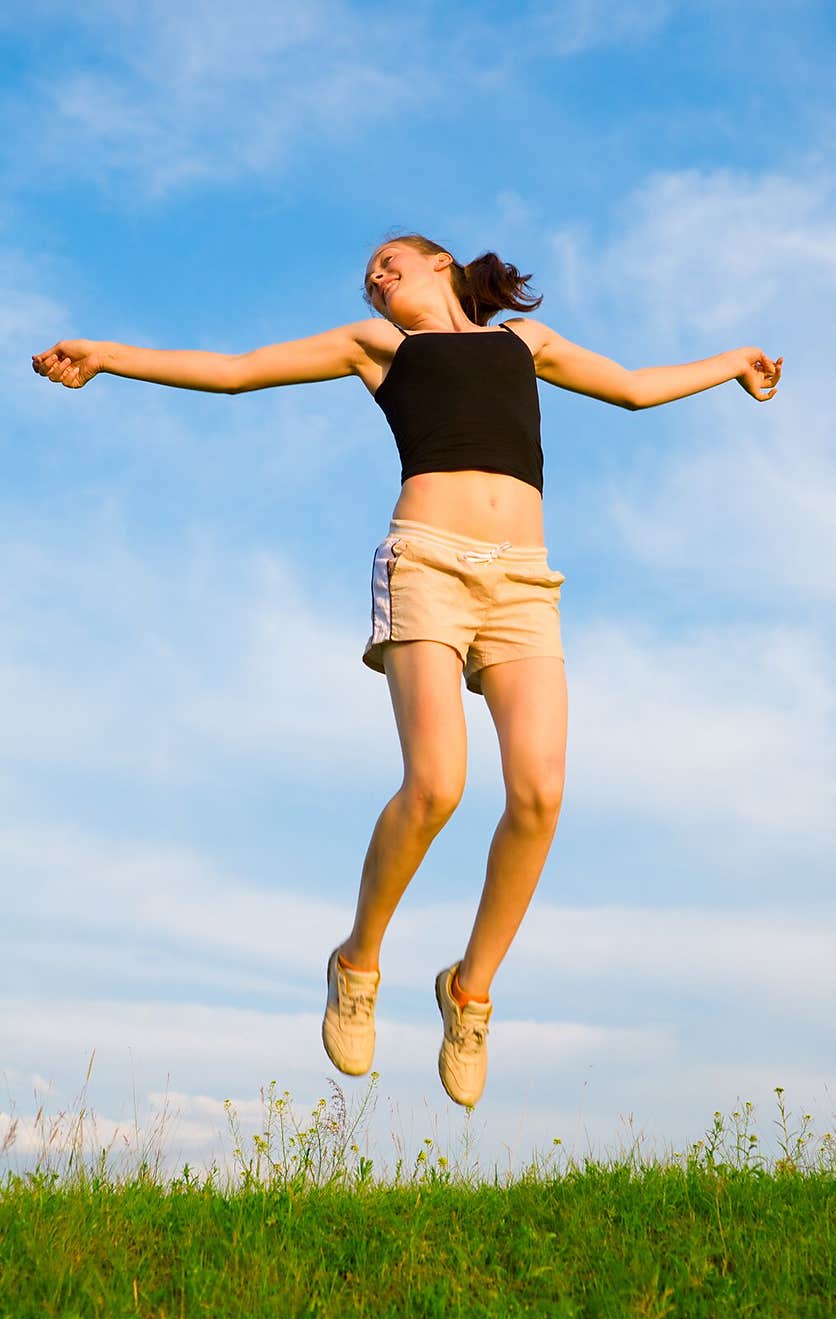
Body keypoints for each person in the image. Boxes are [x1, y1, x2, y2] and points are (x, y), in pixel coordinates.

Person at [31, 231, 783, 1108]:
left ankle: (469, 993)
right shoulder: (378, 346)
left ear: (441, 265)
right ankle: (358, 963)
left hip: (523, 582)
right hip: (426, 563)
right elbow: (236, 370)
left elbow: (632, 388)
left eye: (390, 261)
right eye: (368, 277)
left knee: (539, 795)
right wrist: (109, 357)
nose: (375, 278)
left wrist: (732, 362)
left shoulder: (523, 345)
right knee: (436, 785)